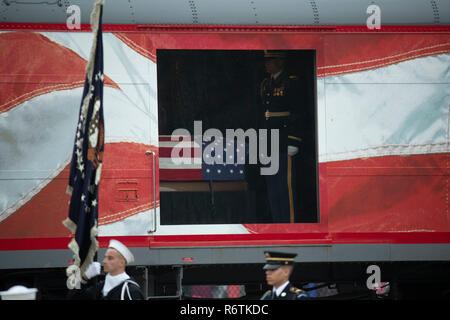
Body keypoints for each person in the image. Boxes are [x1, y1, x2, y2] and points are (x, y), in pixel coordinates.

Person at [258, 50, 302, 223]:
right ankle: (278, 223)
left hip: (284, 140)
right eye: (266, 60)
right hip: (269, 141)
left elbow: (298, 113)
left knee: (286, 188)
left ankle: (290, 224)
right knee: (273, 187)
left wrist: (294, 140)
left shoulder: (291, 83)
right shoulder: (265, 84)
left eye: (271, 60)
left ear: (280, 62)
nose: (267, 63)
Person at [68, 239, 144, 300]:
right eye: (105, 257)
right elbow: (73, 297)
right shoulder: (101, 287)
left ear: (121, 263)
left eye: (110, 258)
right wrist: (83, 278)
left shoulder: (131, 291)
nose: (104, 261)